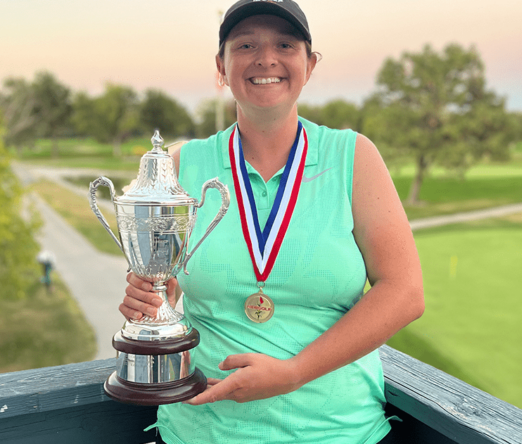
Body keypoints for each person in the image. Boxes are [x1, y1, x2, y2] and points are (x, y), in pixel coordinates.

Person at [119, 1, 424, 443]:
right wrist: (148, 297)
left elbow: (405, 292)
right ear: (221, 66)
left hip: (336, 431)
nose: (266, 58)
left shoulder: (352, 157)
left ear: (309, 64)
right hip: (201, 429)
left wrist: (294, 372)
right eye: (246, 45)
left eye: (285, 43)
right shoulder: (183, 163)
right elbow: (168, 282)